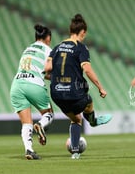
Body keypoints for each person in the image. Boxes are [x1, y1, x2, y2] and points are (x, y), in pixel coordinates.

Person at [44, 14, 112, 159]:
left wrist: (58, 79)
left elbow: (47, 70)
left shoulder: (56, 48)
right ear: (83, 32)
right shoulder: (81, 48)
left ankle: (75, 152)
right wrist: (100, 87)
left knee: (76, 119)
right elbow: (87, 70)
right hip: (73, 93)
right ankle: (93, 121)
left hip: (56, 94)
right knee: (88, 100)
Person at [10, 24, 54, 160]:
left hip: (17, 85)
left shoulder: (27, 49)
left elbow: (37, 70)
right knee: (49, 114)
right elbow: (49, 70)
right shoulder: (48, 50)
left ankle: (29, 150)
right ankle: (40, 125)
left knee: (26, 123)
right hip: (33, 84)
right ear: (48, 38)